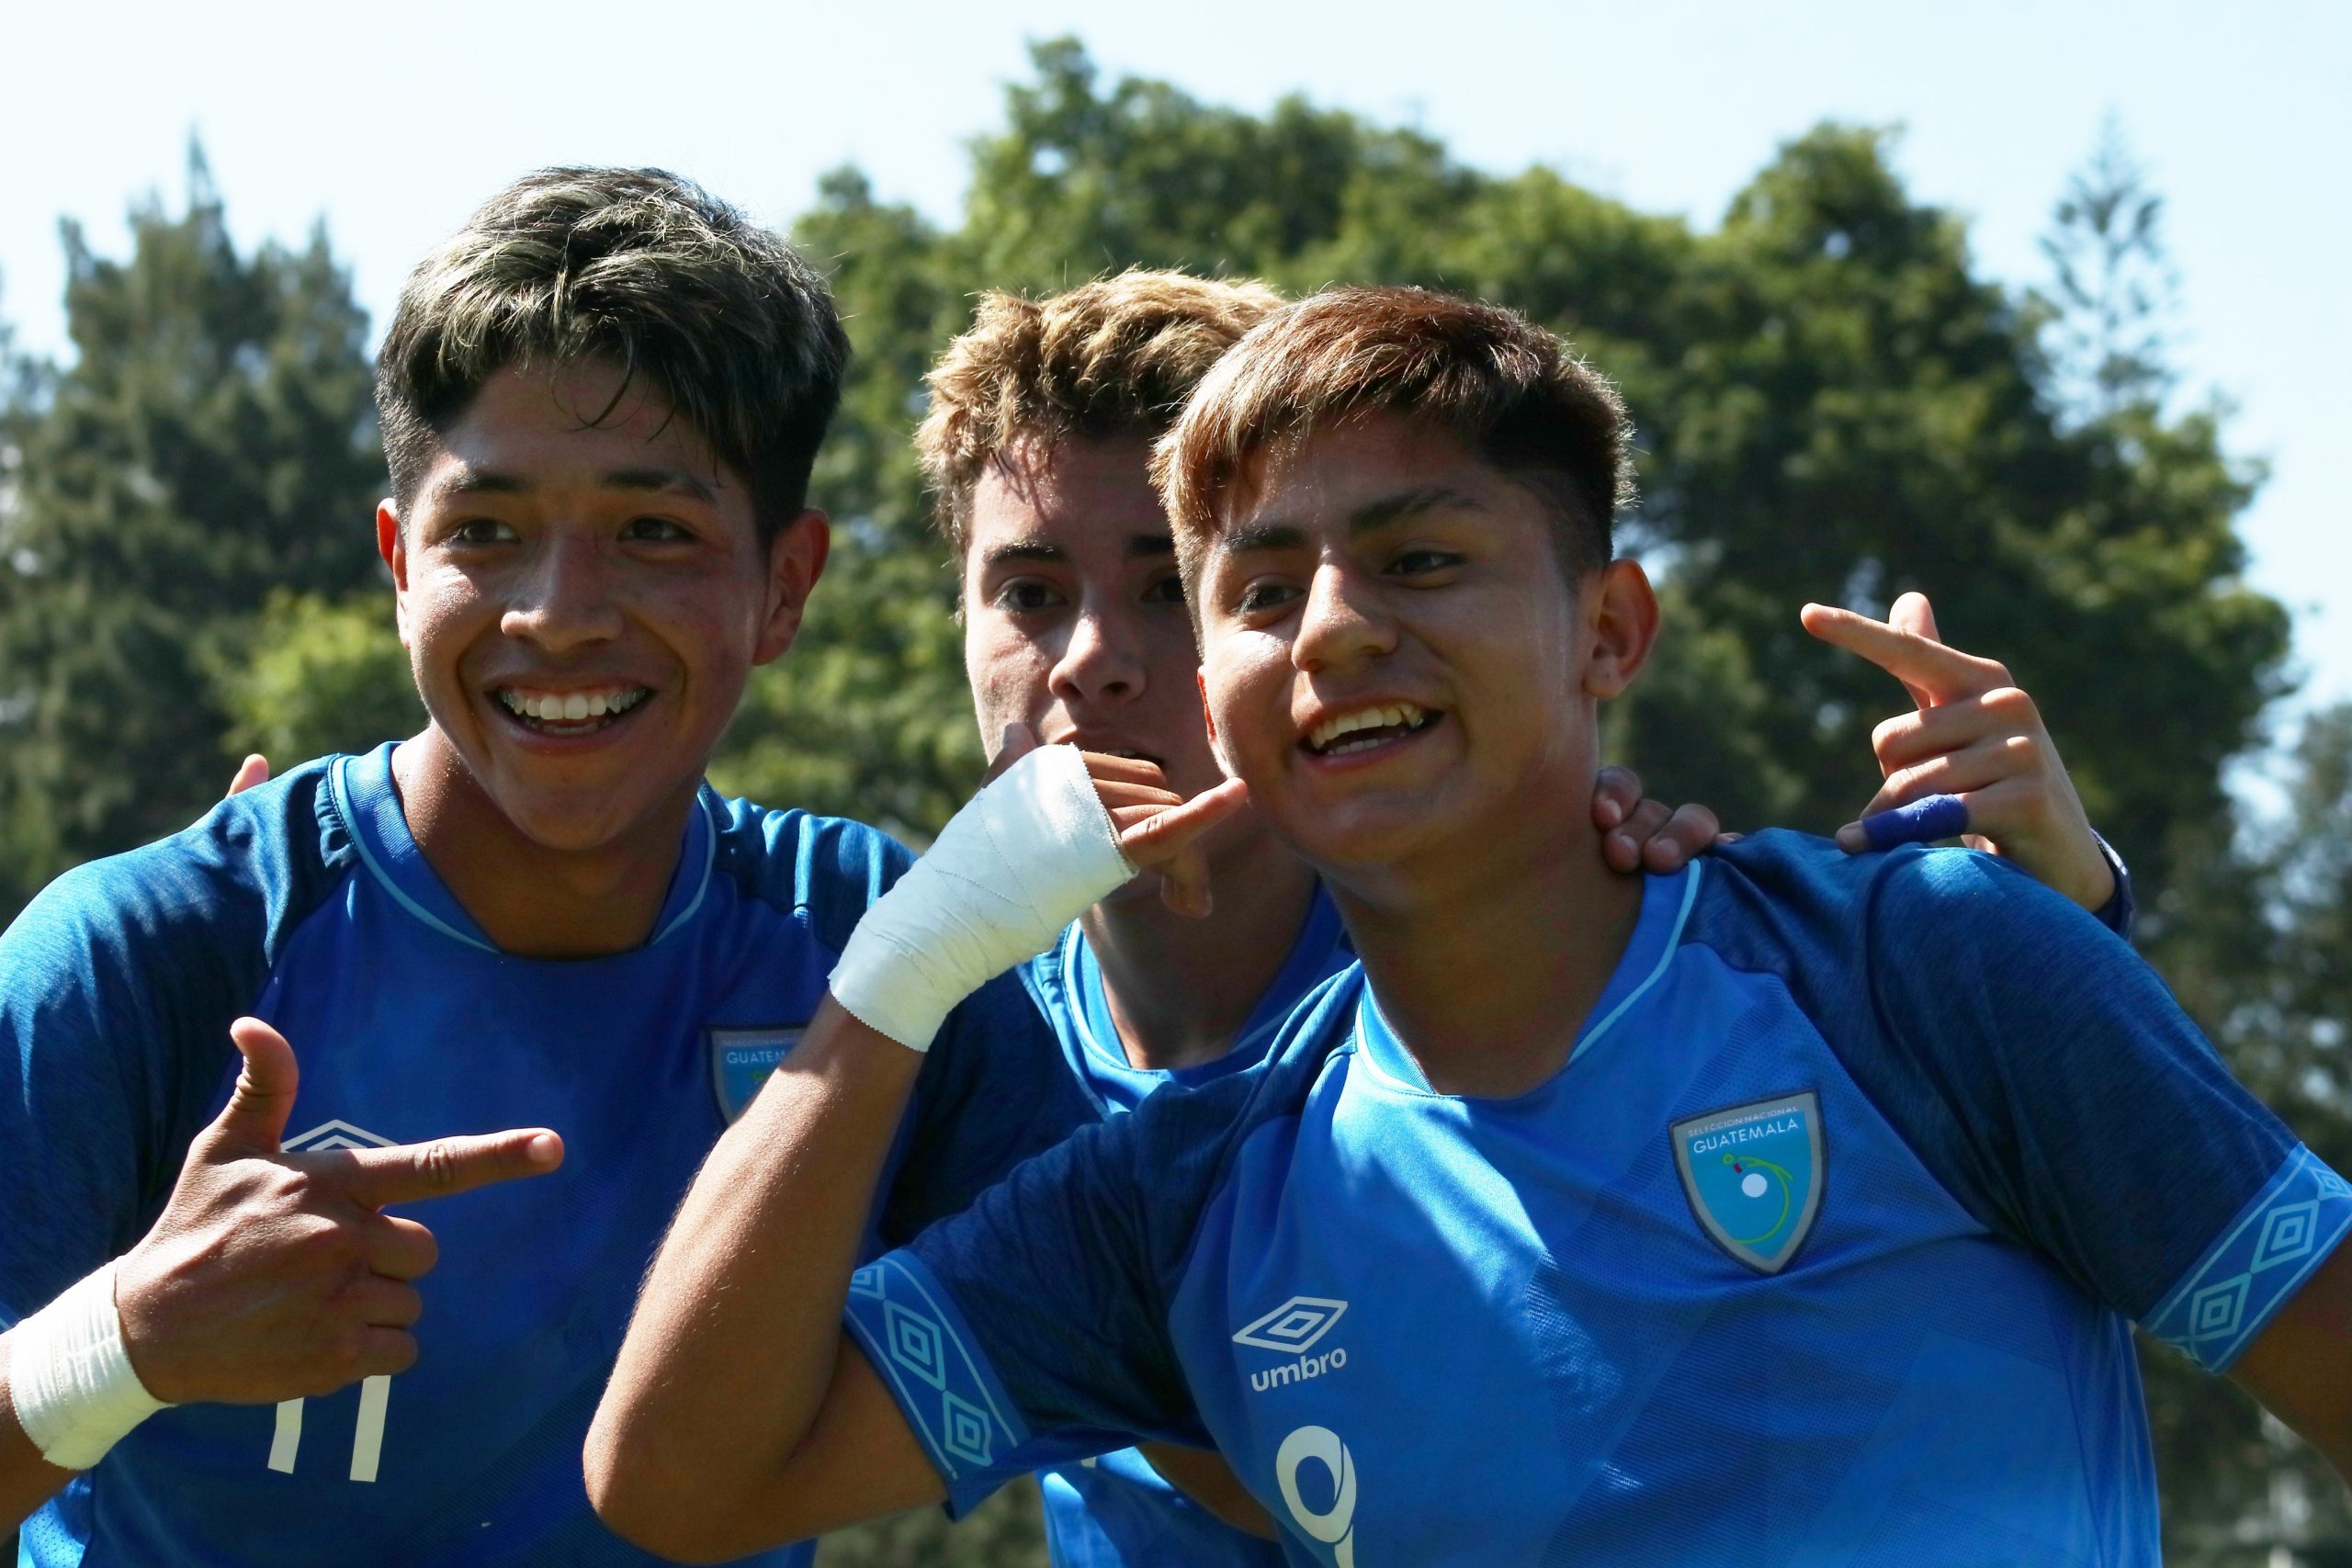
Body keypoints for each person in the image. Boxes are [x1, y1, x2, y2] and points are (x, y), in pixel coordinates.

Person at [584, 288, 2248, 1564]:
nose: (1090, 656)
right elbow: (680, 1481)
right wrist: (900, 981)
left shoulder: (1590, 939)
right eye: (1027, 591)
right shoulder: (1005, 1073)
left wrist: (2073, 909)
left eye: (1168, 586)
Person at [0, 166, 1075, 1566]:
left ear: (785, 587)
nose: (558, 615)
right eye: (485, 531)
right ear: (400, 567)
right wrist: (126, 1342)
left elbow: (1194, 1376)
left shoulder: (874, 947)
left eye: (653, 532)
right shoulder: (143, 954)